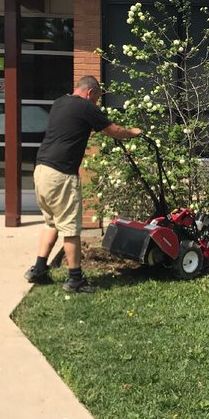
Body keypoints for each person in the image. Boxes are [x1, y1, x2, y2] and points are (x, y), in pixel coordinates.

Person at [25, 74, 141, 293]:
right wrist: (133, 133)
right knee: (70, 228)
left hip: (41, 170)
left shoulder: (59, 102)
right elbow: (113, 131)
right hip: (61, 174)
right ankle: (75, 279)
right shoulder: (85, 107)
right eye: (96, 98)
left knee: (52, 223)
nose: (96, 103)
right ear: (90, 93)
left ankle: (38, 269)